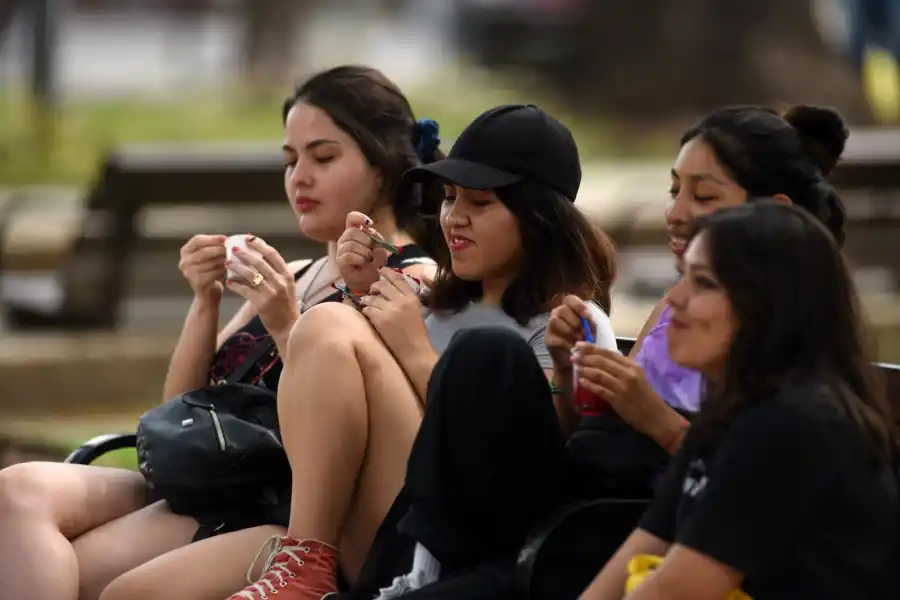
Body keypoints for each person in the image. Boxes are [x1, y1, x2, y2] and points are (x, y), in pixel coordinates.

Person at [354, 103, 858, 600]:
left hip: (601, 532)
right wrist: (571, 378)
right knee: (486, 353)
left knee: (489, 354)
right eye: (673, 189)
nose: (676, 213)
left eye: (702, 195)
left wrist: (652, 417)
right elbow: (605, 451)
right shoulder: (677, 307)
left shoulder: (796, 392)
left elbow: (723, 504)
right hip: (579, 522)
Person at [0, 65, 441, 600]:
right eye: (290, 160)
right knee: (14, 492)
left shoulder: (408, 281)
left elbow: (370, 439)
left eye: (323, 158)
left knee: (98, 582)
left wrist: (284, 323)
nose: (299, 177)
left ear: (385, 164)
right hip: (216, 477)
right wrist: (205, 301)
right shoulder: (299, 273)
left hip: (279, 502)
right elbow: (183, 415)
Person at [224, 103, 618, 600]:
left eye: (481, 202)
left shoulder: (566, 324)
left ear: (539, 216)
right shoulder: (435, 305)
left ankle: (306, 564)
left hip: (454, 550)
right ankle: (306, 560)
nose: (455, 219)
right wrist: (360, 297)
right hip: (361, 527)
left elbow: (523, 460)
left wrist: (411, 348)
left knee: (334, 323)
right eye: (450, 198)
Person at [581, 200, 900, 600]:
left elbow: (672, 594)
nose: (674, 299)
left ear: (771, 306)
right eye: (682, 277)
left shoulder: (791, 426)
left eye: (705, 283)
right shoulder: (728, 418)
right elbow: (638, 554)